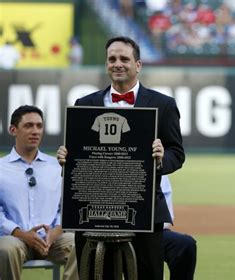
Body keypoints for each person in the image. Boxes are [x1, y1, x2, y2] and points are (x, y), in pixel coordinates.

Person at [56, 36, 185, 279]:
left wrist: (160, 158)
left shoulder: (163, 104)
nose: (118, 64)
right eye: (112, 59)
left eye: (124, 58)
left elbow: (177, 154)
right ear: (106, 64)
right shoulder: (84, 104)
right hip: (93, 211)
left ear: (138, 65)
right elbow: (78, 157)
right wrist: (66, 158)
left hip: (144, 211)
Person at [0, 105, 79, 280]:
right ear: (13, 130)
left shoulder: (57, 166)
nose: (35, 131)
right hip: (15, 239)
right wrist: (21, 234)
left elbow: (66, 206)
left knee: (79, 243)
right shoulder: (1, 168)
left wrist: (55, 232)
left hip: (52, 240)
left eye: (39, 126)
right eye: (28, 126)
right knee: (5, 249)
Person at [161, 175, 197, 280]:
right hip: (113, 234)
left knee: (184, 244)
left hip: (152, 234)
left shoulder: (159, 169)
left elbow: (164, 222)